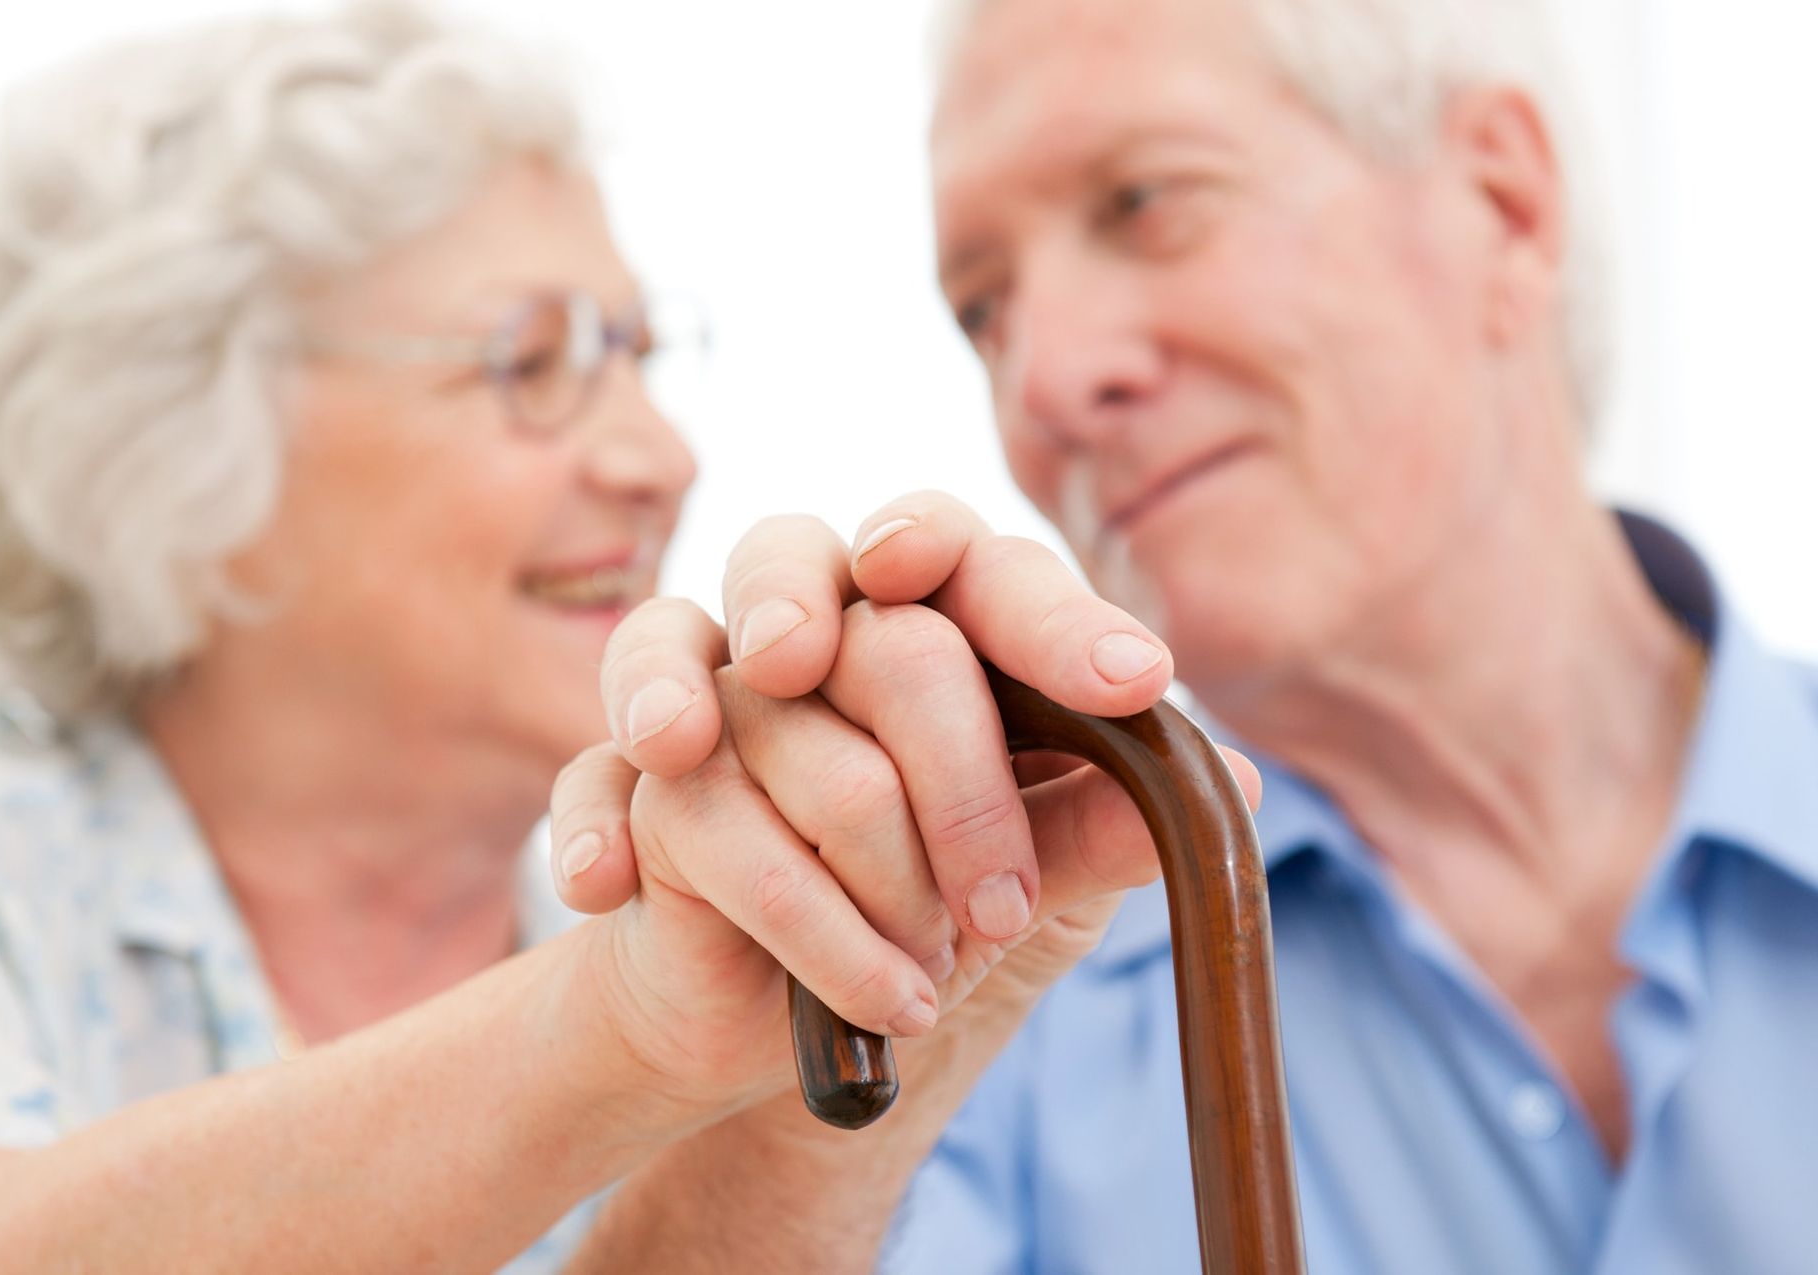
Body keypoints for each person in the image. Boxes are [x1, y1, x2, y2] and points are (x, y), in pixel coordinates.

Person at [0, 5, 1248, 1271]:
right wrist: (616, 1027)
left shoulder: (685, 925)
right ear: (165, 441)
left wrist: (839, 1054)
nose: (659, 454)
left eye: (638, 354)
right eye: (532, 361)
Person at [550, 0, 1818, 1271]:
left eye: (1146, 203)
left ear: (1506, 205)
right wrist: (809, 1084)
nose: (1040, 381)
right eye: (984, 310)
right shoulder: (970, 980)